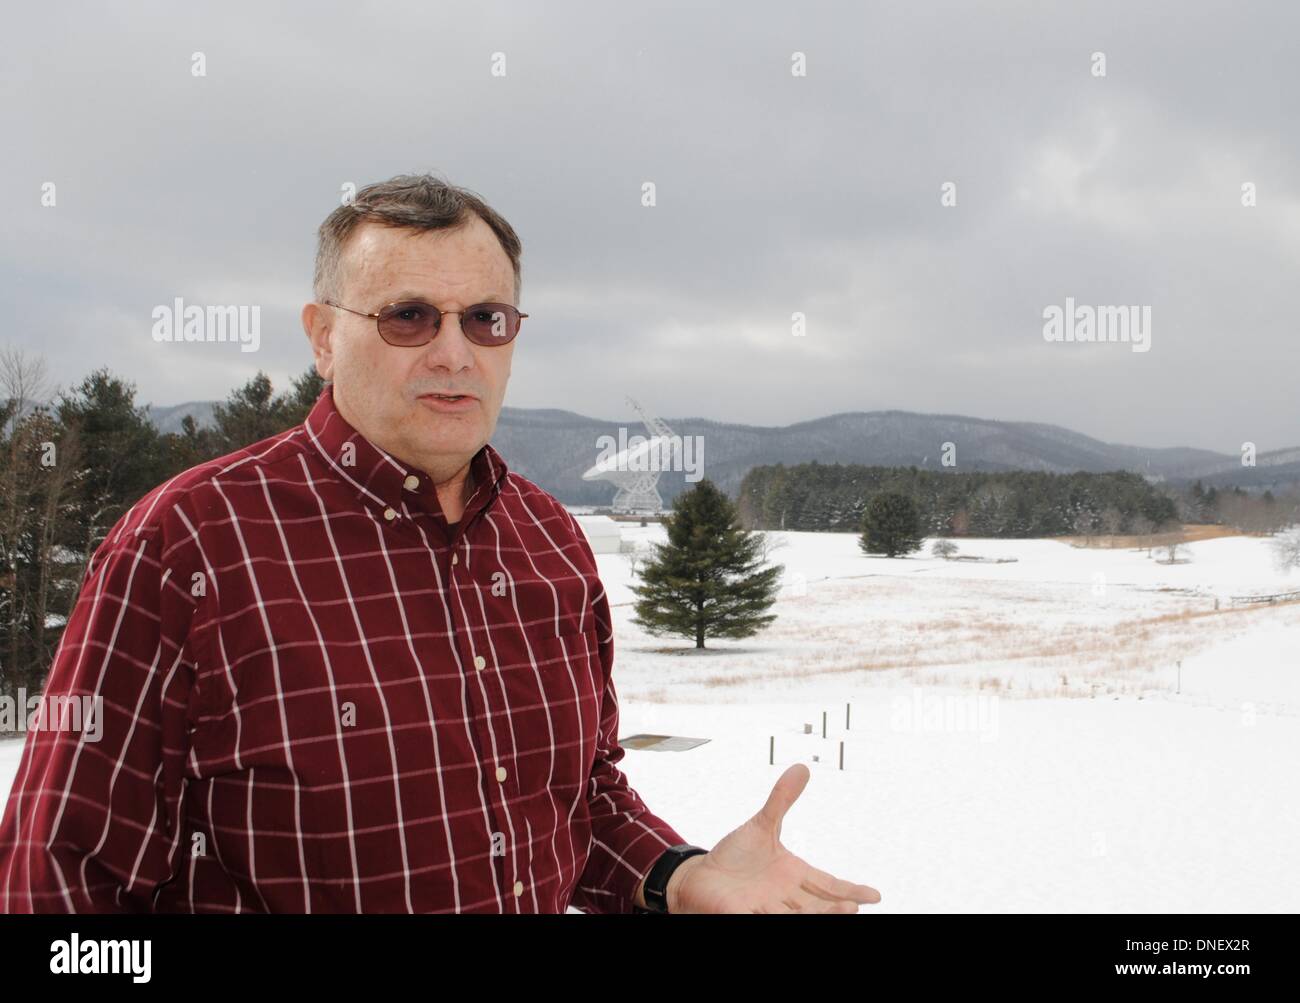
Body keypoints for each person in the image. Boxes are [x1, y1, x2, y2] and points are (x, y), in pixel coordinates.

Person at [0, 174, 881, 914]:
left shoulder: (549, 541)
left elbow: (578, 798)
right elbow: (60, 885)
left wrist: (677, 876)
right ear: (321, 336)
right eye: (410, 317)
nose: (455, 353)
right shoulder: (190, 544)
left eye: (487, 319)